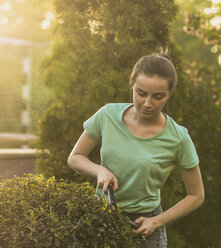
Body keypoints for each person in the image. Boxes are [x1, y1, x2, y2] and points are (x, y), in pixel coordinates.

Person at [67, 53, 204, 247]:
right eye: (141, 93)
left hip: (145, 227)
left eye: (158, 97)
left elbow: (196, 195)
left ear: (169, 94)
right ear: (132, 85)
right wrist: (100, 170)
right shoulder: (107, 115)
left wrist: (156, 221)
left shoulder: (178, 137)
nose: (148, 103)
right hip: (101, 218)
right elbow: (75, 157)